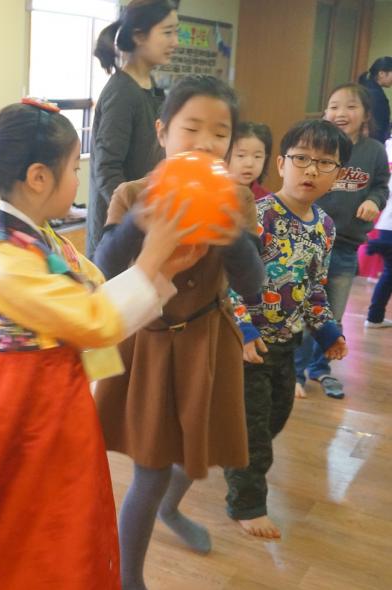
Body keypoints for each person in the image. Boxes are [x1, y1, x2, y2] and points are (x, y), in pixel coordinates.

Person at [0, 98, 204, 590]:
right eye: (74, 169)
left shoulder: (44, 240)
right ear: (39, 178)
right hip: (5, 404)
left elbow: (93, 300)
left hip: (49, 399)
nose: (78, 179)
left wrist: (160, 270)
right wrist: (150, 261)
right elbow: (92, 322)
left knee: (45, 515)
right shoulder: (3, 261)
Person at [93, 75, 265, 590]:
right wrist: (138, 222)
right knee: (149, 471)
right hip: (147, 342)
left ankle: (171, 509)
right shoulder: (131, 194)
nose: (206, 143)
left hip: (206, 342)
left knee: (197, 455)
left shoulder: (237, 199)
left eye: (220, 133)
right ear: (163, 131)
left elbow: (253, 285)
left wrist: (232, 237)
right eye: (192, 128)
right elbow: (104, 268)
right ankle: (129, 580)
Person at [226, 119, 350, 539]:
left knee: (274, 418)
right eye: (301, 159)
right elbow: (228, 281)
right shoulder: (257, 216)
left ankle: (230, 457)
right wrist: (242, 329)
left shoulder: (325, 227)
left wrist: (328, 330)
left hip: (287, 344)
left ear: (338, 174)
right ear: (281, 164)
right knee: (254, 432)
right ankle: (247, 504)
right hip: (247, 345)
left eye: (325, 163)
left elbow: (314, 287)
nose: (311, 170)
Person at [295, 82, 390, 398]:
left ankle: (321, 369)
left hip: (346, 245)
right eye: (334, 106)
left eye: (350, 106)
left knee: (332, 315)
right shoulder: (318, 145)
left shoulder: (374, 150)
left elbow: (381, 186)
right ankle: (295, 373)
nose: (341, 113)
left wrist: (374, 200)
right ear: (325, 112)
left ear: (365, 115)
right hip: (310, 242)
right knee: (304, 312)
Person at [87, 0, 180, 253]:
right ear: (139, 36)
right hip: (120, 235)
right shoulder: (122, 92)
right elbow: (107, 170)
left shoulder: (152, 88)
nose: (175, 42)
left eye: (176, 32)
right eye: (167, 32)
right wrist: (138, 217)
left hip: (143, 228)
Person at [228, 121, 273, 200]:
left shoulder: (268, 200)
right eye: (241, 155)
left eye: (257, 157)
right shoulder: (212, 193)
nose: (249, 164)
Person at [365, 201, 392, 328]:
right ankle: (374, 318)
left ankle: (375, 318)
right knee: (389, 275)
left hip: (386, 226)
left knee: (389, 275)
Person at [358, 56, 392, 143]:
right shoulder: (375, 94)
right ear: (381, 73)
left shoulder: (367, 86)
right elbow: (378, 124)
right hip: (372, 141)